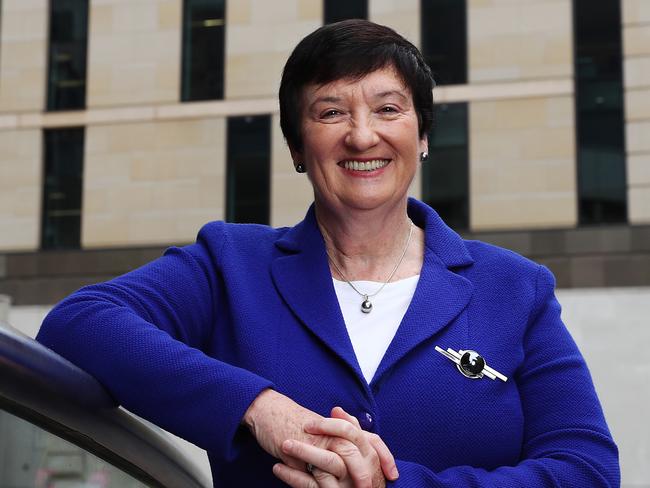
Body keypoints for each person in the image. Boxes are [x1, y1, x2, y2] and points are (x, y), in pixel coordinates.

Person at [37, 19, 619, 487]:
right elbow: (77, 323)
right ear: (296, 144)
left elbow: (588, 470)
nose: (362, 136)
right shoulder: (230, 264)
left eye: (388, 109)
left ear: (422, 137)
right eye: (331, 112)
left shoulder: (514, 288)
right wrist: (261, 408)